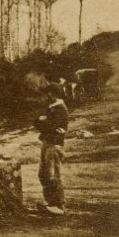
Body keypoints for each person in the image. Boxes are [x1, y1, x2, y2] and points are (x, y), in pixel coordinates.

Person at [34, 87, 69, 215]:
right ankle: (51, 202)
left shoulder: (60, 109)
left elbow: (47, 126)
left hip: (54, 144)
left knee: (52, 174)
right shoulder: (53, 109)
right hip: (48, 142)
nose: (45, 97)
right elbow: (38, 123)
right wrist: (41, 122)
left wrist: (41, 121)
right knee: (43, 174)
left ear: (53, 94)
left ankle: (58, 205)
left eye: (47, 94)